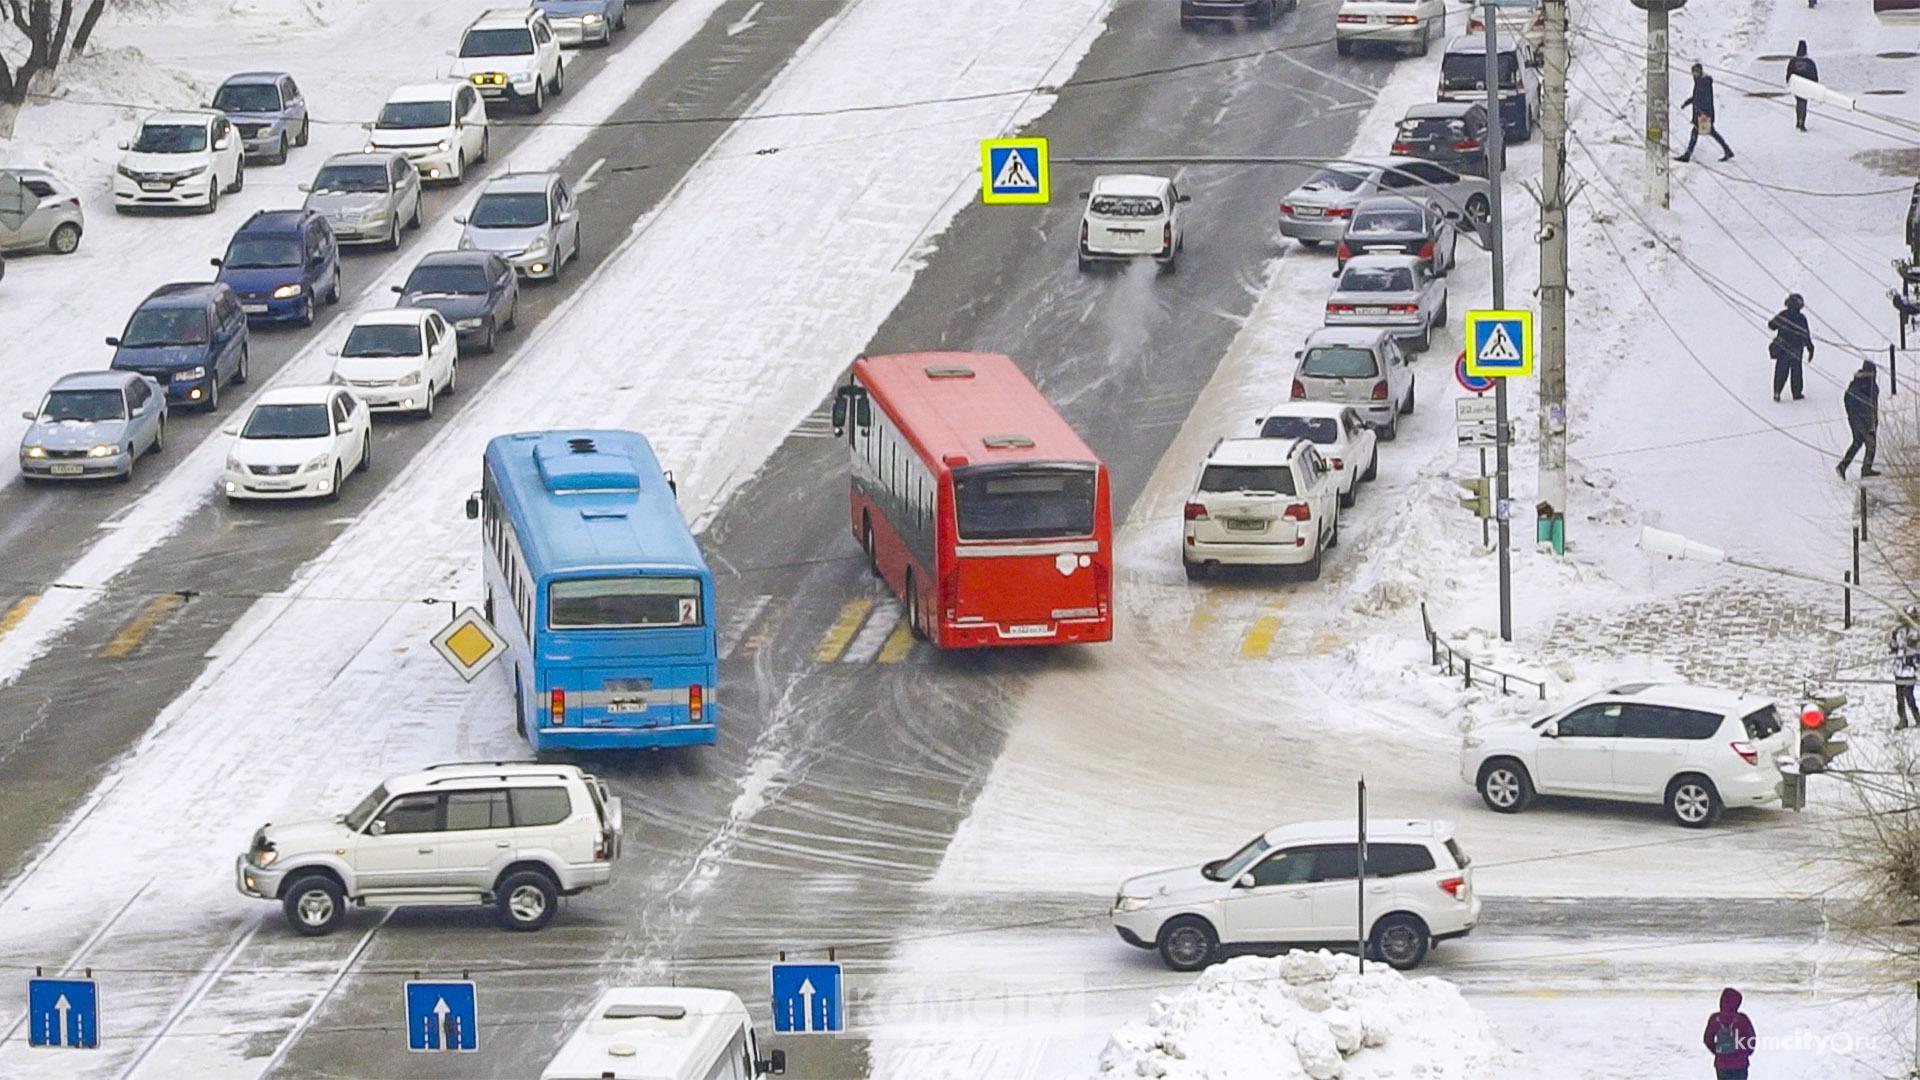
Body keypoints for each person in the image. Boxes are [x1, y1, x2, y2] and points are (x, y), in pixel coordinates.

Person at [1677, 63, 1734, 162]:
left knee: (1698, 132)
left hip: (1704, 114)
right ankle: (1728, 151)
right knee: (1710, 132)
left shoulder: (1705, 82)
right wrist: (1686, 103)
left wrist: (1703, 113)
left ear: (1699, 71)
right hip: (1701, 113)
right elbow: (1696, 97)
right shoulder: (1699, 81)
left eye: (1695, 72)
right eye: (1693, 73)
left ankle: (1687, 155)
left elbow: (1706, 99)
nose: (1693, 74)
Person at [1839, 360, 1882, 478]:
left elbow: (1847, 399)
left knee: (1857, 442)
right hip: (1864, 420)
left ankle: (1843, 466)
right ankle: (1866, 469)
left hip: (1856, 419)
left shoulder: (1857, 383)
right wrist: (1870, 421)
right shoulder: (1868, 386)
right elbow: (1870, 405)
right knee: (1871, 443)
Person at [1702, 987, 1757, 1079]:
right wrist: (1744, 1053)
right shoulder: (1742, 1019)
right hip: (1740, 1063)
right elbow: (1751, 1040)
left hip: (1722, 1064)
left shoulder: (1714, 1018)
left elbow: (1707, 1039)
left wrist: (1718, 1051)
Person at [1767, 293, 1813, 401]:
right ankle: (1797, 394)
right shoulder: (1801, 318)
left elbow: (1771, 325)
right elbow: (1806, 335)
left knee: (1781, 370)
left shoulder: (1783, 315)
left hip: (1783, 348)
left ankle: (1777, 392)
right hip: (1797, 349)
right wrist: (1810, 348)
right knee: (1796, 371)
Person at [1894, 611, 1920, 730]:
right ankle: (1903, 719)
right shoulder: (1898, 632)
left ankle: (1917, 717)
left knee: (1909, 695)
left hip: (1909, 670)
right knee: (1899, 696)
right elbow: (1893, 646)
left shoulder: (1916, 633)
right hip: (1899, 669)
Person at [1787, 42, 1819, 131]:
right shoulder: (1810, 62)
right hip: (1806, 86)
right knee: (1803, 104)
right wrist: (1815, 86)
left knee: (1799, 103)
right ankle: (1802, 123)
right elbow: (1814, 75)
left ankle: (1798, 121)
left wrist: (1789, 83)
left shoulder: (1793, 61)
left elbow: (1788, 73)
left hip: (1796, 85)